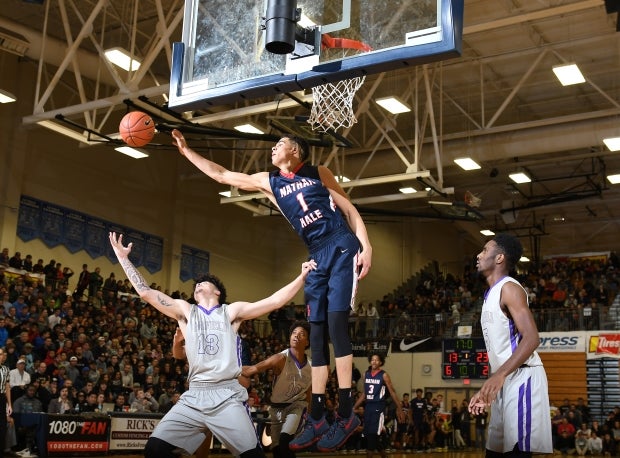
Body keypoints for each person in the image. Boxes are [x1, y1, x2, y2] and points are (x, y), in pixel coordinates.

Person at [172, 129, 373, 452]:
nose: (273, 149)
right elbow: (222, 175)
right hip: (316, 252)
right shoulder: (270, 181)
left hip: (340, 245)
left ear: (295, 150)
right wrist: (187, 152)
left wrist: (367, 246)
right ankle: (319, 415)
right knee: (317, 334)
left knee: (336, 325)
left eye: (279, 144)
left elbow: (349, 210)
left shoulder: (318, 173)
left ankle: (347, 413)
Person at [109, 231, 316, 458]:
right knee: (154, 450)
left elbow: (274, 301)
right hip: (194, 395)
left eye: (202, 283)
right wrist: (123, 258)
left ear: (217, 292)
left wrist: (302, 277)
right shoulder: (186, 311)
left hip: (227, 395)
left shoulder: (230, 312)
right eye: (195, 285)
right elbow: (146, 293)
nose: (197, 285)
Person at [468, 233, 553, 457]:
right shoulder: (489, 294)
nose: (478, 255)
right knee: (493, 451)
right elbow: (502, 350)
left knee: (516, 452)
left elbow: (532, 338)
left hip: (523, 378)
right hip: (505, 380)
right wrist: (488, 388)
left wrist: (500, 375)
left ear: (499, 258)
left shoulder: (509, 289)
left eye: (485, 250)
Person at [241, 321, 312, 458]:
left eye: (301, 334)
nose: (296, 336)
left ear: (307, 342)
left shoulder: (312, 366)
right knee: (278, 450)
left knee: (286, 441)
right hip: (276, 408)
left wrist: (309, 415)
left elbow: (309, 392)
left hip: (296, 406)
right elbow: (252, 369)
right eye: (294, 333)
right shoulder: (280, 358)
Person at [352, 354, 405, 458]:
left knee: (372, 433)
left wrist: (400, 409)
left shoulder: (384, 375)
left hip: (379, 406)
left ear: (381, 362)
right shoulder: (365, 374)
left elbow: (393, 392)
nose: (374, 362)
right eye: (372, 360)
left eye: (377, 360)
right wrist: (355, 407)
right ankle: (384, 455)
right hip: (368, 406)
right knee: (369, 434)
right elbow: (364, 394)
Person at [0, 348, 12, 458]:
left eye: (1, 354)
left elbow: (7, 387)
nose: (0, 356)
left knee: (2, 426)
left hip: (2, 397)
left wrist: (9, 404)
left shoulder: (6, 369)